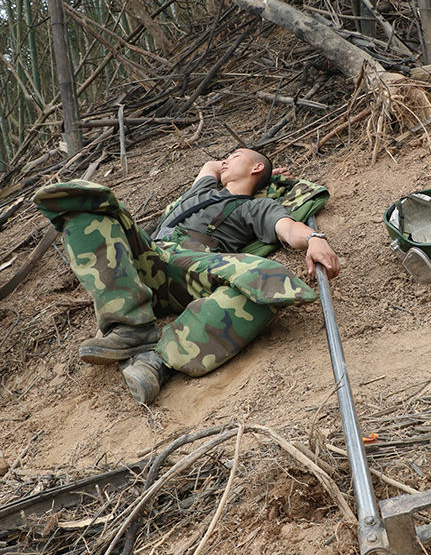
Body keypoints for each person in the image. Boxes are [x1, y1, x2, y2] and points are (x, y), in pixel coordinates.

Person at [34, 148, 340, 406]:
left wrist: (314, 238)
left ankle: (161, 361)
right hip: (149, 255)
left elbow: (285, 228)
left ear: (256, 167)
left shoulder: (255, 207)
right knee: (87, 209)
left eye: (233, 156)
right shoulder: (202, 190)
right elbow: (209, 166)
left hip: (192, 265)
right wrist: (244, 169)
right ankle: (129, 326)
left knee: (273, 280)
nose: (224, 160)